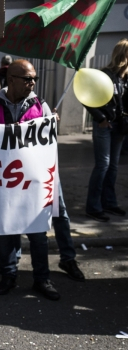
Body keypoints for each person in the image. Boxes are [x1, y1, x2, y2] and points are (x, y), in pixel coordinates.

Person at [0, 60, 60, 301]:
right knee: (5, 229)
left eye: (34, 78)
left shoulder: (41, 105)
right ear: (12, 80)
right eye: (28, 78)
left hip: (33, 181)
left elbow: (51, 142)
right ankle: (8, 275)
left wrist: (54, 125)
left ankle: (42, 279)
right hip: (2, 180)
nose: (33, 83)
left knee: (38, 233)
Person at [84, 39, 128, 222]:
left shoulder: (125, 77)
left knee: (113, 166)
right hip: (105, 124)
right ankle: (93, 207)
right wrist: (101, 118)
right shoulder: (105, 74)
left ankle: (109, 202)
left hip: (120, 125)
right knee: (103, 165)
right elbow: (86, 97)